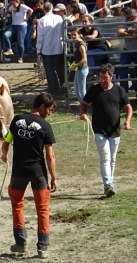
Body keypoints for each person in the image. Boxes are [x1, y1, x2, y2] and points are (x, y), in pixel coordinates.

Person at [1, 93, 58, 259]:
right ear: (41, 107)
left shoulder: (16, 120)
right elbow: (50, 156)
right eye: (49, 109)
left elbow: (6, 142)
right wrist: (54, 177)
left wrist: (4, 155)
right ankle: (43, 248)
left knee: (17, 205)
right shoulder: (45, 126)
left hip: (19, 172)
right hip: (38, 173)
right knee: (42, 209)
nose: (50, 113)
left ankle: (20, 244)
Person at [80, 63, 132, 198]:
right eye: (101, 77)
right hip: (99, 130)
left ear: (112, 77)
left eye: (105, 77)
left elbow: (128, 107)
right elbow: (84, 104)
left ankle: (110, 183)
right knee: (105, 158)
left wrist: (127, 121)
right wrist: (83, 113)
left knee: (113, 159)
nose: (102, 80)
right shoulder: (93, 90)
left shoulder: (119, 91)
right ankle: (107, 185)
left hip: (115, 130)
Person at [36, 1, 63, 95]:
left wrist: (38, 49)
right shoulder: (59, 18)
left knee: (49, 70)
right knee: (57, 69)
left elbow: (40, 37)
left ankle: (53, 89)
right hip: (58, 48)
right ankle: (59, 88)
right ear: (52, 8)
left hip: (46, 49)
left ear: (44, 9)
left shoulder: (42, 20)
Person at [80, 14, 108, 80]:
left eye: (85, 21)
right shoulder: (82, 30)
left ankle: (90, 74)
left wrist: (83, 37)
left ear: (90, 22)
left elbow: (93, 36)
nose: (84, 23)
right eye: (83, 21)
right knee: (99, 70)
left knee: (87, 54)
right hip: (93, 52)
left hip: (101, 50)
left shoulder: (94, 29)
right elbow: (76, 33)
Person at [117, 8, 137, 93]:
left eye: (128, 17)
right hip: (127, 50)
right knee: (122, 67)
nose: (126, 18)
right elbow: (119, 32)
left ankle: (136, 90)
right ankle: (124, 90)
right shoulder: (124, 21)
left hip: (136, 50)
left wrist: (127, 30)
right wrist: (131, 32)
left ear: (133, 17)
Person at [70, 27, 88, 103]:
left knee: (82, 91)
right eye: (71, 35)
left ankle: (84, 108)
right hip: (79, 69)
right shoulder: (76, 43)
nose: (73, 36)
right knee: (77, 90)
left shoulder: (81, 45)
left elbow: (84, 59)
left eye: (75, 34)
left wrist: (75, 66)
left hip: (82, 69)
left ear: (79, 35)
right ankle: (82, 106)